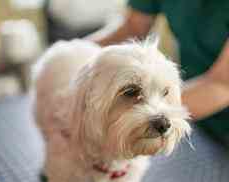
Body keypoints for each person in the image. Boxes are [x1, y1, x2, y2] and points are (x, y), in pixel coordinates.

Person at [87, 0, 229, 143]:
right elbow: (131, 29)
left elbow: (222, 85)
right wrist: (70, 56)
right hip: (191, 114)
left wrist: (145, 115)